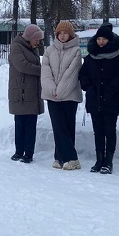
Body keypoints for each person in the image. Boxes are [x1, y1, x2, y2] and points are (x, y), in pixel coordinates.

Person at [79, 23, 119, 174]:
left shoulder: (118, 57)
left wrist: (111, 89)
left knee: (110, 130)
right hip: (95, 99)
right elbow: (83, 75)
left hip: (112, 99)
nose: (101, 41)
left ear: (110, 40)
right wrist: (89, 87)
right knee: (98, 131)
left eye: (104, 39)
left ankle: (108, 161)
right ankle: (99, 160)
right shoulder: (90, 57)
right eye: (99, 38)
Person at [41, 21, 83, 170]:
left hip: (70, 95)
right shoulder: (49, 51)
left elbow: (72, 74)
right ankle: (64, 157)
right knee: (58, 126)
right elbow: (45, 71)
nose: (63, 35)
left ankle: (66, 158)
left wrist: (61, 91)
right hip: (52, 95)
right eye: (60, 33)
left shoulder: (76, 51)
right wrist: (52, 89)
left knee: (67, 126)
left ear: (70, 35)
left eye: (65, 33)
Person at [8, 23, 45, 163]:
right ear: (29, 38)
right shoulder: (16, 47)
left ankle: (28, 153)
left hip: (32, 91)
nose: (39, 42)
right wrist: (42, 71)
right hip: (20, 91)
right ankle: (19, 151)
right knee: (20, 123)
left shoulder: (32, 48)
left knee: (31, 124)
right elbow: (22, 65)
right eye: (37, 39)